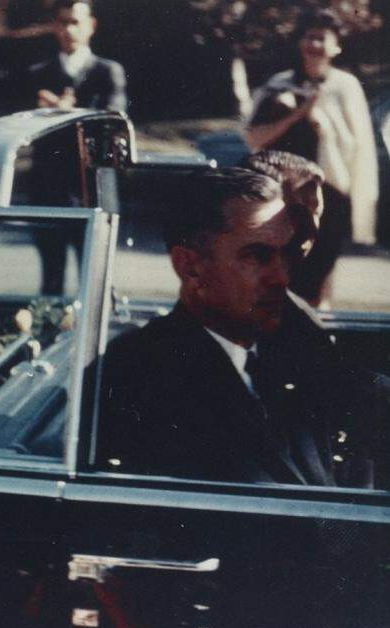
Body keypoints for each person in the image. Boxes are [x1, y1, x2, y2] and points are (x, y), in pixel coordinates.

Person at [98, 167, 382, 486]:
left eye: (285, 255)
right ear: (190, 266)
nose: (282, 277)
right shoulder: (139, 374)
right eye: (257, 256)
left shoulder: (291, 349)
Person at [244, 9, 379, 302]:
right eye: (309, 37)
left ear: (336, 47)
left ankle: (318, 336)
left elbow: (358, 146)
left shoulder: (345, 87)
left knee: (319, 272)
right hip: (282, 193)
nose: (314, 44)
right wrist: (297, 114)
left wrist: (323, 125)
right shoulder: (279, 84)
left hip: (328, 193)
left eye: (322, 38)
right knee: (281, 270)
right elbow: (253, 137)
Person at [25, 0, 127, 112]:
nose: (69, 30)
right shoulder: (38, 73)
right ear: (55, 26)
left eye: (75, 22)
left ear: (92, 25)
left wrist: (66, 112)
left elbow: (114, 119)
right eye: (63, 23)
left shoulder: (108, 71)